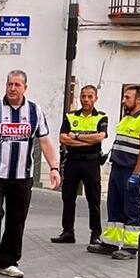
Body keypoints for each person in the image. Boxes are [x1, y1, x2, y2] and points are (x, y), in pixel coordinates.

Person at [0, 69, 61, 278]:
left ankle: (8, 262)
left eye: (17, 85)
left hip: (22, 176)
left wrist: (54, 168)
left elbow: (45, 141)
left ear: (25, 87)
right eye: (9, 84)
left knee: (16, 220)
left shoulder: (35, 111)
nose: (12, 89)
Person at [91, 84, 140, 261]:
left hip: (130, 170)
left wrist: (136, 174)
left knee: (132, 208)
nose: (123, 100)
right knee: (115, 207)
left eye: (127, 97)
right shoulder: (126, 119)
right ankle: (110, 243)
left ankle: (131, 247)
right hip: (118, 168)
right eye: (124, 97)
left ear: (139, 100)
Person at [51, 84, 108, 245]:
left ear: (95, 98)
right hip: (72, 161)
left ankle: (95, 234)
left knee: (93, 199)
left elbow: (100, 137)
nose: (86, 100)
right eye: (83, 96)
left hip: (92, 161)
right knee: (68, 198)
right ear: (80, 98)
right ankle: (68, 232)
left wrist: (75, 136)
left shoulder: (101, 117)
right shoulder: (70, 116)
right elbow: (62, 139)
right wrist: (87, 139)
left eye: (90, 96)